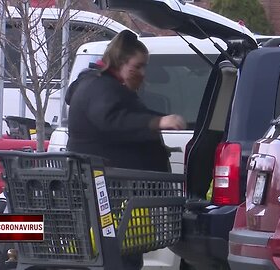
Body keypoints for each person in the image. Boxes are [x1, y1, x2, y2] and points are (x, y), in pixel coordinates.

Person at [65, 29, 186, 269]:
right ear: (120, 63)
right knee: (118, 255)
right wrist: (157, 122)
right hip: (108, 192)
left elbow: (128, 116)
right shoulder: (100, 89)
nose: (142, 74)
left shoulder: (106, 88)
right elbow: (111, 120)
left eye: (144, 67)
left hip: (118, 193)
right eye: (137, 67)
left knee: (123, 252)